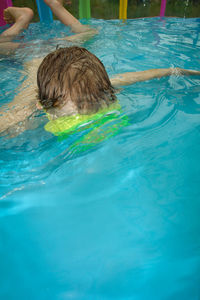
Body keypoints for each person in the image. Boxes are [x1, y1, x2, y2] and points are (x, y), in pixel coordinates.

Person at [0, 1, 200, 136]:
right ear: (42, 106)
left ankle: (53, 6)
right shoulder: (26, 107)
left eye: (95, 105)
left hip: (60, 47)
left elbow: (147, 75)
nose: (87, 117)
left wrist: (183, 72)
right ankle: (22, 19)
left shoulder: (96, 85)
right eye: (77, 112)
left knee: (90, 31)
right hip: (29, 54)